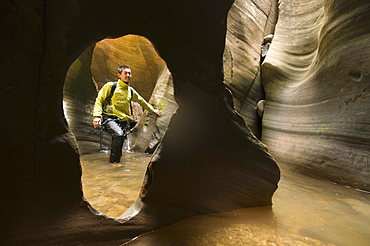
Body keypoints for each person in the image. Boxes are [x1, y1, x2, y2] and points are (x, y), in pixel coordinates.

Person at [93, 65, 161, 164]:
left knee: (120, 141)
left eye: (129, 73)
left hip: (123, 121)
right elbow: (99, 100)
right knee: (118, 135)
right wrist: (97, 116)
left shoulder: (130, 91)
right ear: (119, 75)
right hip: (109, 118)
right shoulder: (111, 86)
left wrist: (152, 110)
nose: (128, 75)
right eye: (126, 73)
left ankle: (116, 162)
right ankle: (114, 162)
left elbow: (141, 101)